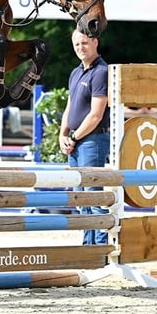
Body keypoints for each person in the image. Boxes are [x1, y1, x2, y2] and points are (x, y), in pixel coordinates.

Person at [59, 28, 111, 245]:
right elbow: (70, 106)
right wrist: (62, 134)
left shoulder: (102, 72)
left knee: (93, 195)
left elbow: (96, 115)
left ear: (95, 42)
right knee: (80, 197)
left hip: (92, 140)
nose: (81, 47)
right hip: (76, 140)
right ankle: (86, 246)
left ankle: (99, 247)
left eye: (85, 43)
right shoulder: (75, 72)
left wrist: (73, 137)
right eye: (77, 44)